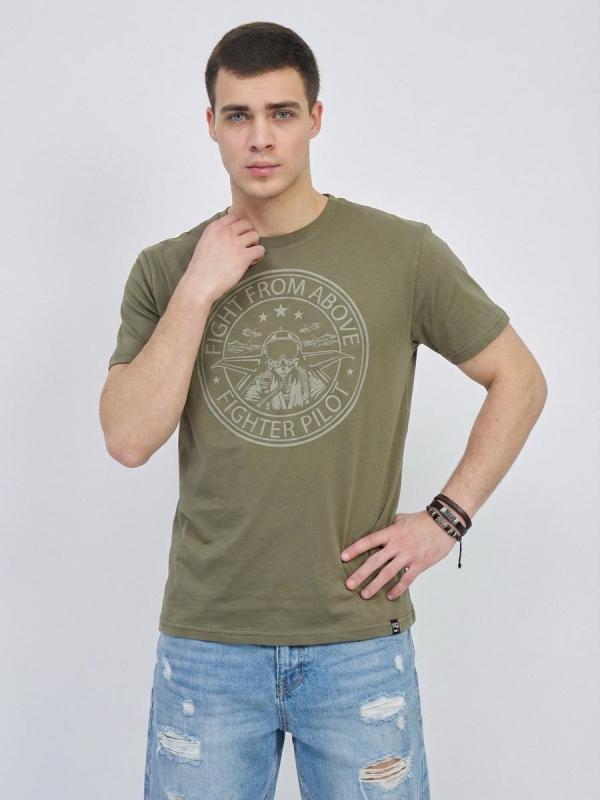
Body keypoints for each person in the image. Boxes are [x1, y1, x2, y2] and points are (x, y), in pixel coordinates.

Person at [99, 20, 547, 800]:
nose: (260, 138)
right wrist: (198, 290)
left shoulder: (401, 252)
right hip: (209, 644)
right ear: (211, 125)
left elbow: (520, 378)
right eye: (238, 116)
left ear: (315, 118)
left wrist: (445, 520)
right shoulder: (165, 270)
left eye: (281, 113)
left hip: (357, 643)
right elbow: (129, 438)